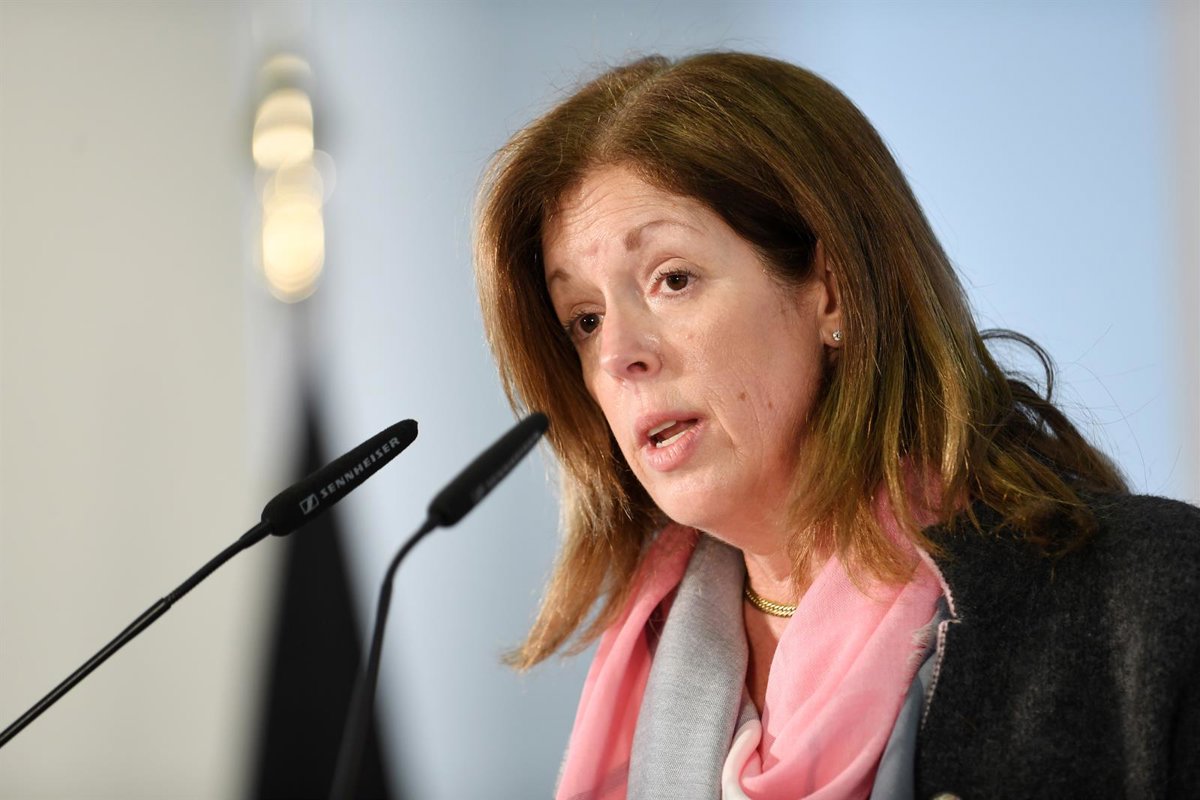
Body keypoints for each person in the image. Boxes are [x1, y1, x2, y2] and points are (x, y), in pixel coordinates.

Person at [473, 51, 1200, 799]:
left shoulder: (1150, 604)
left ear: (832, 289)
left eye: (673, 279)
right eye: (585, 320)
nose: (617, 355)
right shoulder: (643, 671)